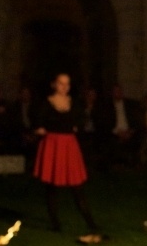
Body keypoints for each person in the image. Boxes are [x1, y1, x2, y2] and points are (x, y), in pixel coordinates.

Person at [32, 72, 103, 235]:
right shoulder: (45, 103)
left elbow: (80, 120)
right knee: (51, 186)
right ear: (54, 84)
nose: (64, 87)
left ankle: (90, 221)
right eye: (61, 83)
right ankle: (55, 223)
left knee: (77, 186)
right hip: (53, 145)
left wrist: (76, 126)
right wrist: (40, 129)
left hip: (69, 145)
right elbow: (38, 122)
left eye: (67, 84)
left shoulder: (74, 103)